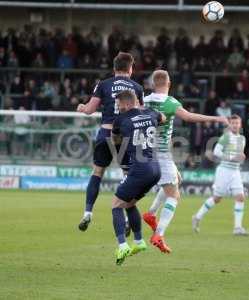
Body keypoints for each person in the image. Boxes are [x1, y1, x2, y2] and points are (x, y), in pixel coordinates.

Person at [141, 70, 228, 253]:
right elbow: (189, 117)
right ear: (168, 83)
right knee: (174, 196)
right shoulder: (170, 102)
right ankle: (159, 234)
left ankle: (150, 214)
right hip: (162, 153)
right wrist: (216, 118)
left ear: (153, 83)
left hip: (145, 151)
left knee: (176, 180)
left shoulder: (144, 100)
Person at [76, 52, 144, 235]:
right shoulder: (137, 87)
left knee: (97, 172)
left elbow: (90, 110)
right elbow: (140, 113)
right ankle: (129, 217)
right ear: (130, 68)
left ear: (114, 68)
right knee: (128, 175)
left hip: (106, 132)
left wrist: (82, 107)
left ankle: (88, 213)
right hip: (125, 135)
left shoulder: (104, 84)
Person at [110, 90, 165, 265]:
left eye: (119, 106)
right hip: (156, 170)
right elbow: (163, 117)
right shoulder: (151, 113)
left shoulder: (121, 119)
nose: (118, 109)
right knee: (130, 203)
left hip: (139, 169)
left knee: (116, 205)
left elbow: (116, 138)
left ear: (126, 104)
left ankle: (122, 245)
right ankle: (139, 241)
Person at [192, 115, 249, 236]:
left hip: (236, 171)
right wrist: (232, 158)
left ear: (240, 125)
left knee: (240, 197)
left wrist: (241, 158)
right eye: (233, 123)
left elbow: (239, 155)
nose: (235, 125)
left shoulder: (242, 139)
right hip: (224, 171)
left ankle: (237, 228)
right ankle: (197, 217)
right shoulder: (226, 137)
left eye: (237, 123)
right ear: (230, 124)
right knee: (217, 198)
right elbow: (216, 152)